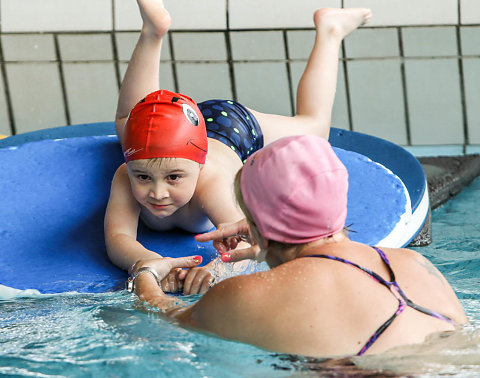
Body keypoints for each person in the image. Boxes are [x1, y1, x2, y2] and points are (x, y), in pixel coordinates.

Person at [105, 0, 373, 297]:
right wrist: (149, 263)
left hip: (233, 128)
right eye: (142, 177)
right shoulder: (124, 175)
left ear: (200, 164)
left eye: (174, 178)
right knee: (125, 122)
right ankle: (153, 31)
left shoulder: (211, 182)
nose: (157, 193)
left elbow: (246, 242)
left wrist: (217, 269)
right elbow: (118, 237)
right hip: (177, 123)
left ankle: (331, 31)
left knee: (315, 128)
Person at [129, 134, 467, 357]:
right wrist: (267, 230)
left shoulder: (243, 295)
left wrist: (144, 272)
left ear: (257, 223)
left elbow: (164, 315)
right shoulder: (417, 265)